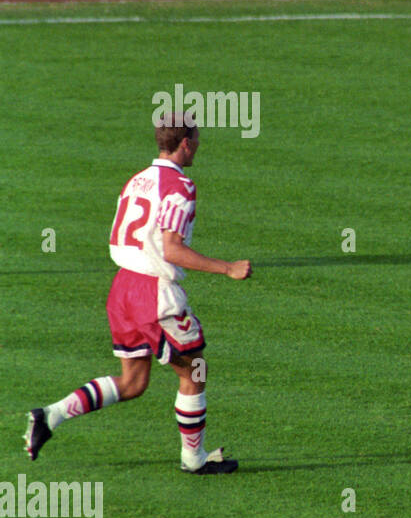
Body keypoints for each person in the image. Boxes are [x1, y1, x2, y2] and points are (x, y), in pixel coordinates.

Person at [23, 113, 251, 473]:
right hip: (152, 293)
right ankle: (194, 460)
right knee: (194, 372)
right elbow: (172, 250)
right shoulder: (181, 187)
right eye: (197, 140)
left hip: (122, 288)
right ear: (186, 143)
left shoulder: (137, 180)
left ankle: (49, 416)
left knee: (133, 382)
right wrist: (228, 267)